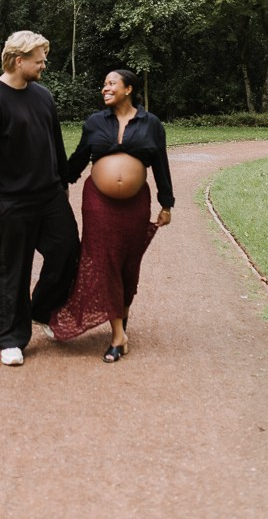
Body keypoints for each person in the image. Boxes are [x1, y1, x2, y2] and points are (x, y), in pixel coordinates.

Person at [0, 31, 80, 367]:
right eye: (39, 60)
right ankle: (11, 339)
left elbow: (54, 140)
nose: (44, 65)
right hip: (13, 202)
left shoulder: (43, 96)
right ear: (19, 61)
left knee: (68, 250)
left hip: (50, 196)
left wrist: (62, 181)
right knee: (14, 270)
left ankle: (41, 310)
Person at [48, 68, 174, 362]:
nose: (105, 88)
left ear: (128, 89)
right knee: (103, 260)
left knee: (129, 262)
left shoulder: (151, 123)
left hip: (135, 205)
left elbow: (161, 165)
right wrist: (52, 175)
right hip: (98, 203)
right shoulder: (94, 122)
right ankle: (117, 335)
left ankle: (122, 315)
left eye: (111, 83)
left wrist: (166, 204)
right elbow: (77, 161)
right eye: (103, 84)